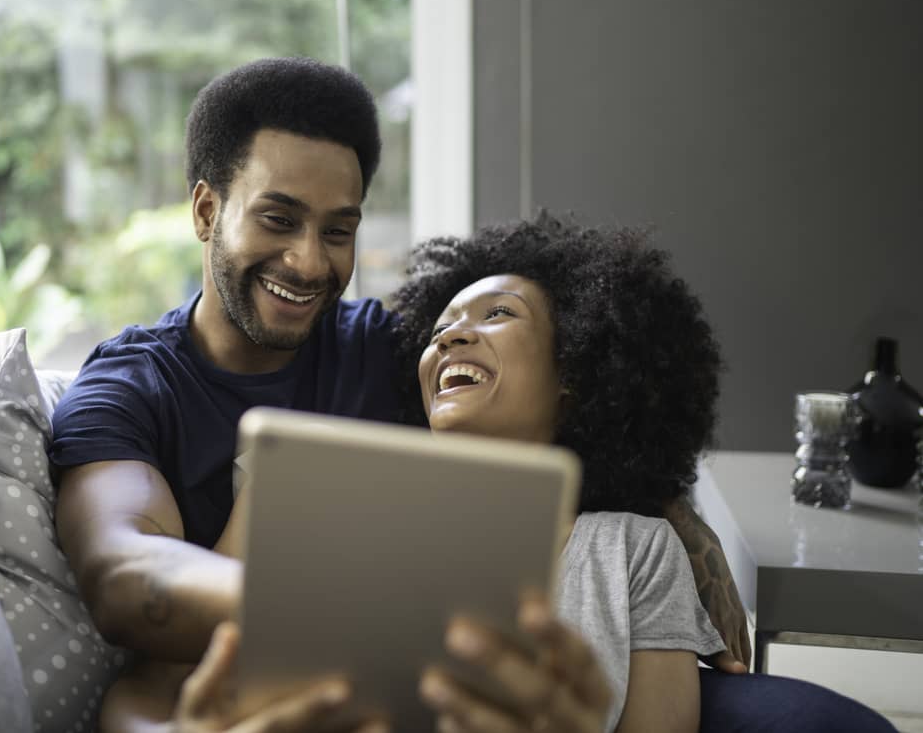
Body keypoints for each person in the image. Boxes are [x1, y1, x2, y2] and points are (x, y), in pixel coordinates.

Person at [50, 57, 755, 725]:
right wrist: (346, 610)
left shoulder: (390, 351)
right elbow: (127, 579)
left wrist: (678, 525)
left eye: (338, 230)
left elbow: (566, 401)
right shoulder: (127, 388)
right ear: (206, 211)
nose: (307, 261)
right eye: (278, 218)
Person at [384, 215, 895, 733]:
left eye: (497, 313)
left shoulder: (637, 549)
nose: (450, 339)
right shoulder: (386, 535)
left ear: (574, 373)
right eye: (440, 329)